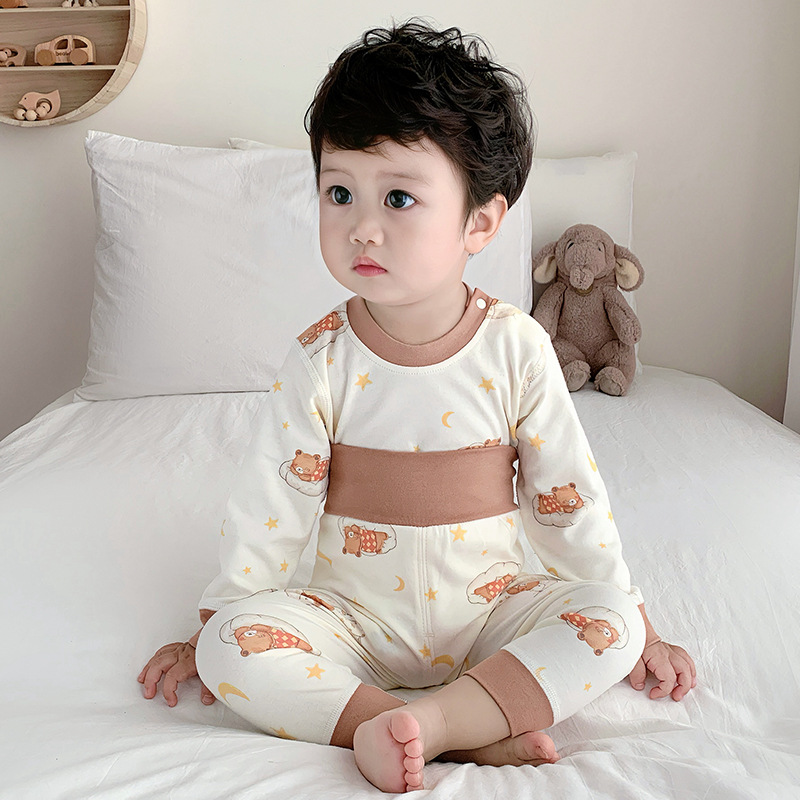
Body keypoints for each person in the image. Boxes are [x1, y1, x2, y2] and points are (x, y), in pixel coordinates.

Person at [138, 19, 697, 794]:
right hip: (351, 617)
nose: (362, 228)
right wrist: (212, 623)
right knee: (231, 647)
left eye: (398, 197)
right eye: (340, 193)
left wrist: (642, 623)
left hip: (492, 609)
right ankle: (450, 727)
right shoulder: (319, 358)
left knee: (612, 623)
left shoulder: (518, 348)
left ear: (481, 221)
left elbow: (569, 499)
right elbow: (270, 508)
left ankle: (438, 725)